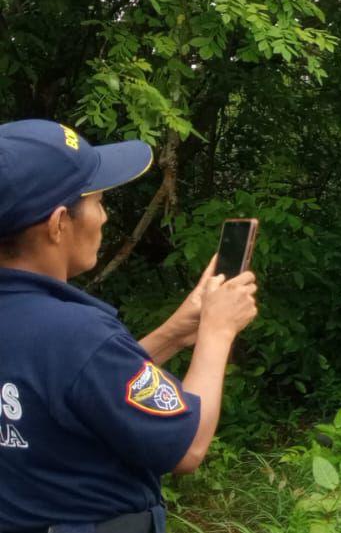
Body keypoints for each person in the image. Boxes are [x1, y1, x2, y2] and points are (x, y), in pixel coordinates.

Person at [0, 120, 258, 533]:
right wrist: (217, 333)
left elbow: (77, 386)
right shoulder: (78, 333)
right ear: (58, 223)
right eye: (99, 201)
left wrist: (176, 331)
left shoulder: (46, 330)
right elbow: (186, 449)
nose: (103, 217)